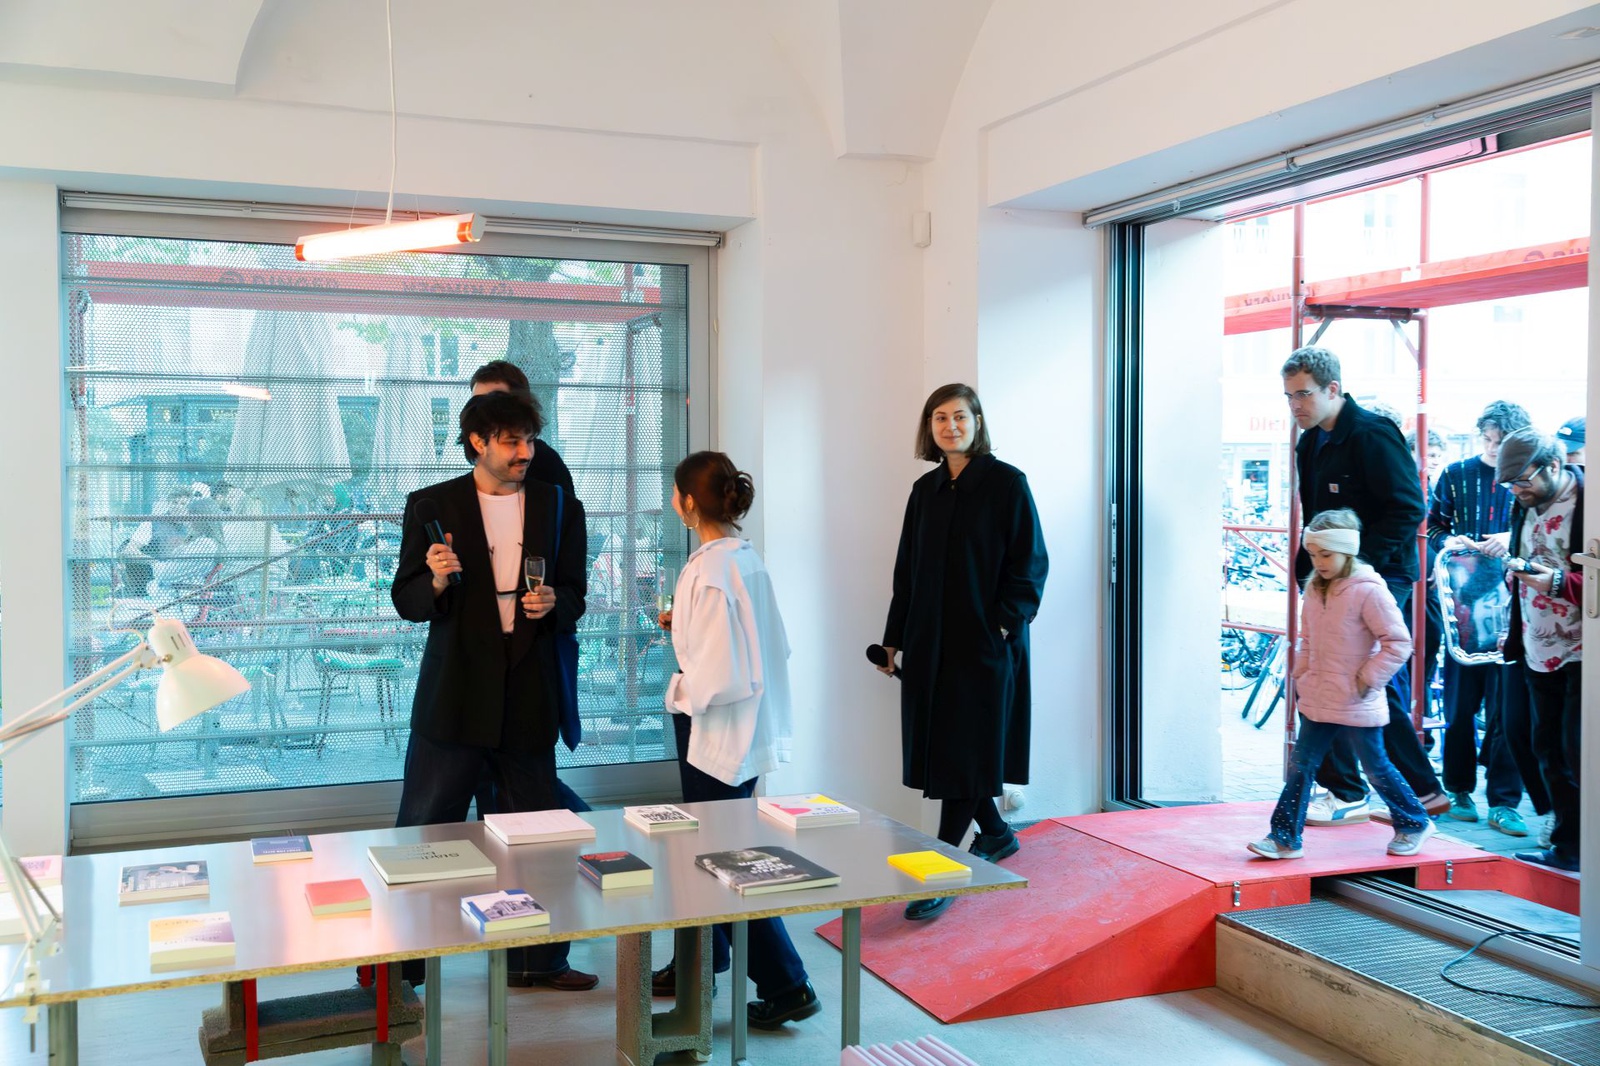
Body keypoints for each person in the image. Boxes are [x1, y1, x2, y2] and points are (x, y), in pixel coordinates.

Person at [389, 389, 598, 990]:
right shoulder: (432, 504)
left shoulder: (558, 505)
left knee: (531, 838)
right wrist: (434, 580)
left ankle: (534, 961)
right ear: (478, 442)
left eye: (529, 440)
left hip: (529, 693)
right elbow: (406, 600)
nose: (525, 452)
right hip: (455, 695)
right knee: (426, 832)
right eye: (512, 442)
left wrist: (556, 602)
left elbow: (576, 593)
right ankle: (398, 968)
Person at [648, 451, 821, 1030]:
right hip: (746, 731)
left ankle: (787, 983)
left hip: (715, 732)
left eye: (676, 493)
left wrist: (680, 687)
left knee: (719, 861)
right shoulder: (744, 558)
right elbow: (766, 644)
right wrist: (686, 630)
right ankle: (704, 959)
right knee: (720, 852)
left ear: (687, 502)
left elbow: (718, 677)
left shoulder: (708, 570)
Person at [877, 383, 1048, 922]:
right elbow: (907, 572)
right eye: (940, 418)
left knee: (966, 754)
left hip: (984, 647)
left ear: (977, 422)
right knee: (953, 752)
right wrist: (894, 638)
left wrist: (1003, 624)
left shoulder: (1007, 483)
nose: (950, 426)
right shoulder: (924, 490)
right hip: (931, 644)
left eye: (959, 416)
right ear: (929, 427)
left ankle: (943, 867)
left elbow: (1031, 564)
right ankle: (995, 833)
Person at [1281, 347, 1446, 825]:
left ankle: (1395, 791)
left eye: (1303, 394)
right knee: (1331, 675)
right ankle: (1374, 790)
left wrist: (1357, 567)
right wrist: (1310, 569)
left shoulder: (1372, 433)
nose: (1295, 405)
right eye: (1289, 396)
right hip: (1329, 573)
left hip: (1378, 571)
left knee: (1357, 677)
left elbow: (1409, 508)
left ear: (1333, 389)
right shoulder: (1310, 441)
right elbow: (1316, 514)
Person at [1247, 509, 1435, 860]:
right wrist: (1302, 674)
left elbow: (1398, 642)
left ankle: (1414, 822)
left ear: (1347, 551)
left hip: (1357, 699)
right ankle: (1284, 837)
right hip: (1319, 696)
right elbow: (1306, 638)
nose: (1318, 562)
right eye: (1313, 554)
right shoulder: (1315, 588)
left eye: (1326, 554)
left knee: (1376, 767)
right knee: (1301, 766)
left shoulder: (1369, 591)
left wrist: (1368, 677)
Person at [466, 360, 590, 823]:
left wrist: (550, 600)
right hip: (481, 655)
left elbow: (563, 563)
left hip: (534, 639)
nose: (484, 411)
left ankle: (584, 827)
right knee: (495, 776)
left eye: (494, 401)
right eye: (476, 403)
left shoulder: (544, 469)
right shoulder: (475, 471)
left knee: (527, 776)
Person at [1426, 401, 1533, 834]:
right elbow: (1433, 526)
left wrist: (1509, 538)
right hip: (1463, 610)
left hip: (1514, 610)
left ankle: (1504, 801)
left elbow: (1541, 534)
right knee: (1460, 705)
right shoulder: (1456, 474)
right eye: (1486, 440)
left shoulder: (1527, 480)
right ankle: (1458, 790)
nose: (1491, 448)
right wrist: (1452, 542)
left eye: (1499, 441)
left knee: (1508, 710)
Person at [1497, 428, 1585, 872]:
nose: (1516, 490)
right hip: (1535, 642)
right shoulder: (1523, 502)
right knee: (1544, 746)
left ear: (1554, 465)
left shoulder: (1589, 501)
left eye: (1522, 480)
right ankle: (1569, 847)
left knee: (1576, 750)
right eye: (1509, 484)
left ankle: (1582, 847)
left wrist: (1555, 582)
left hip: (1583, 647)